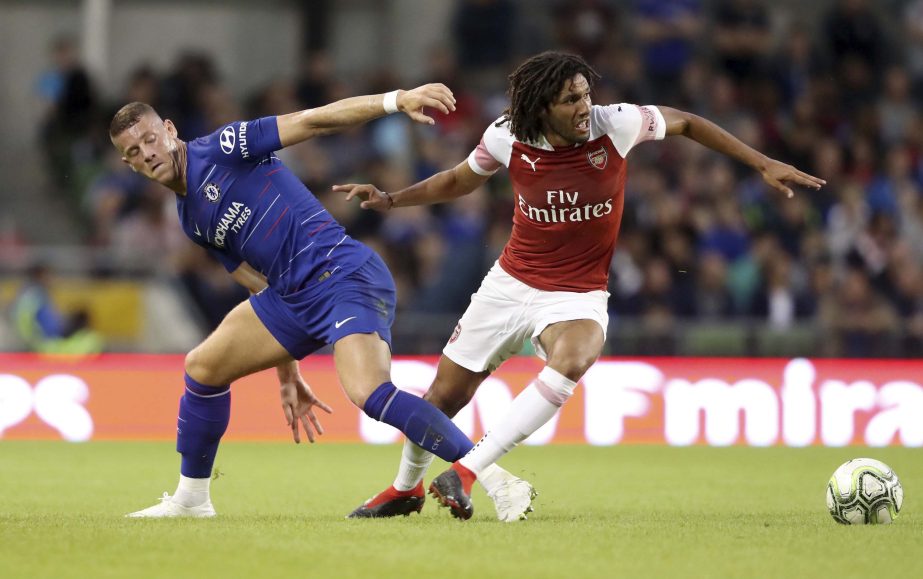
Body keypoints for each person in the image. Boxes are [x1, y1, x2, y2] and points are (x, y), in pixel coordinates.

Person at [335, 51, 825, 521]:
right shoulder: (507, 137)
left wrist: (761, 162)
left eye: (586, 94)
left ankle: (467, 469)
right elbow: (460, 180)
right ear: (541, 107)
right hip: (508, 283)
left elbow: (688, 122)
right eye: (570, 100)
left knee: (576, 355)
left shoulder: (617, 124)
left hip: (577, 292)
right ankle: (405, 489)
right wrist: (393, 200)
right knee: (441, 399)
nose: (584, 107)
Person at [109, 84, 530, 518]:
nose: (147, 153)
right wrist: (287, 373)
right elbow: (257, 285)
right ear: (128, 164)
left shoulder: (222, 147)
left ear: (170, 130)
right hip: (292, 297)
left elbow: (313, 120)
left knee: (369, 392)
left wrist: (394, 101)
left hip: (341, 274)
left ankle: (495, 478)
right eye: (134, 151)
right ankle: (191, 500)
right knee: (202, 368)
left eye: (150, 139)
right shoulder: (190, 217)